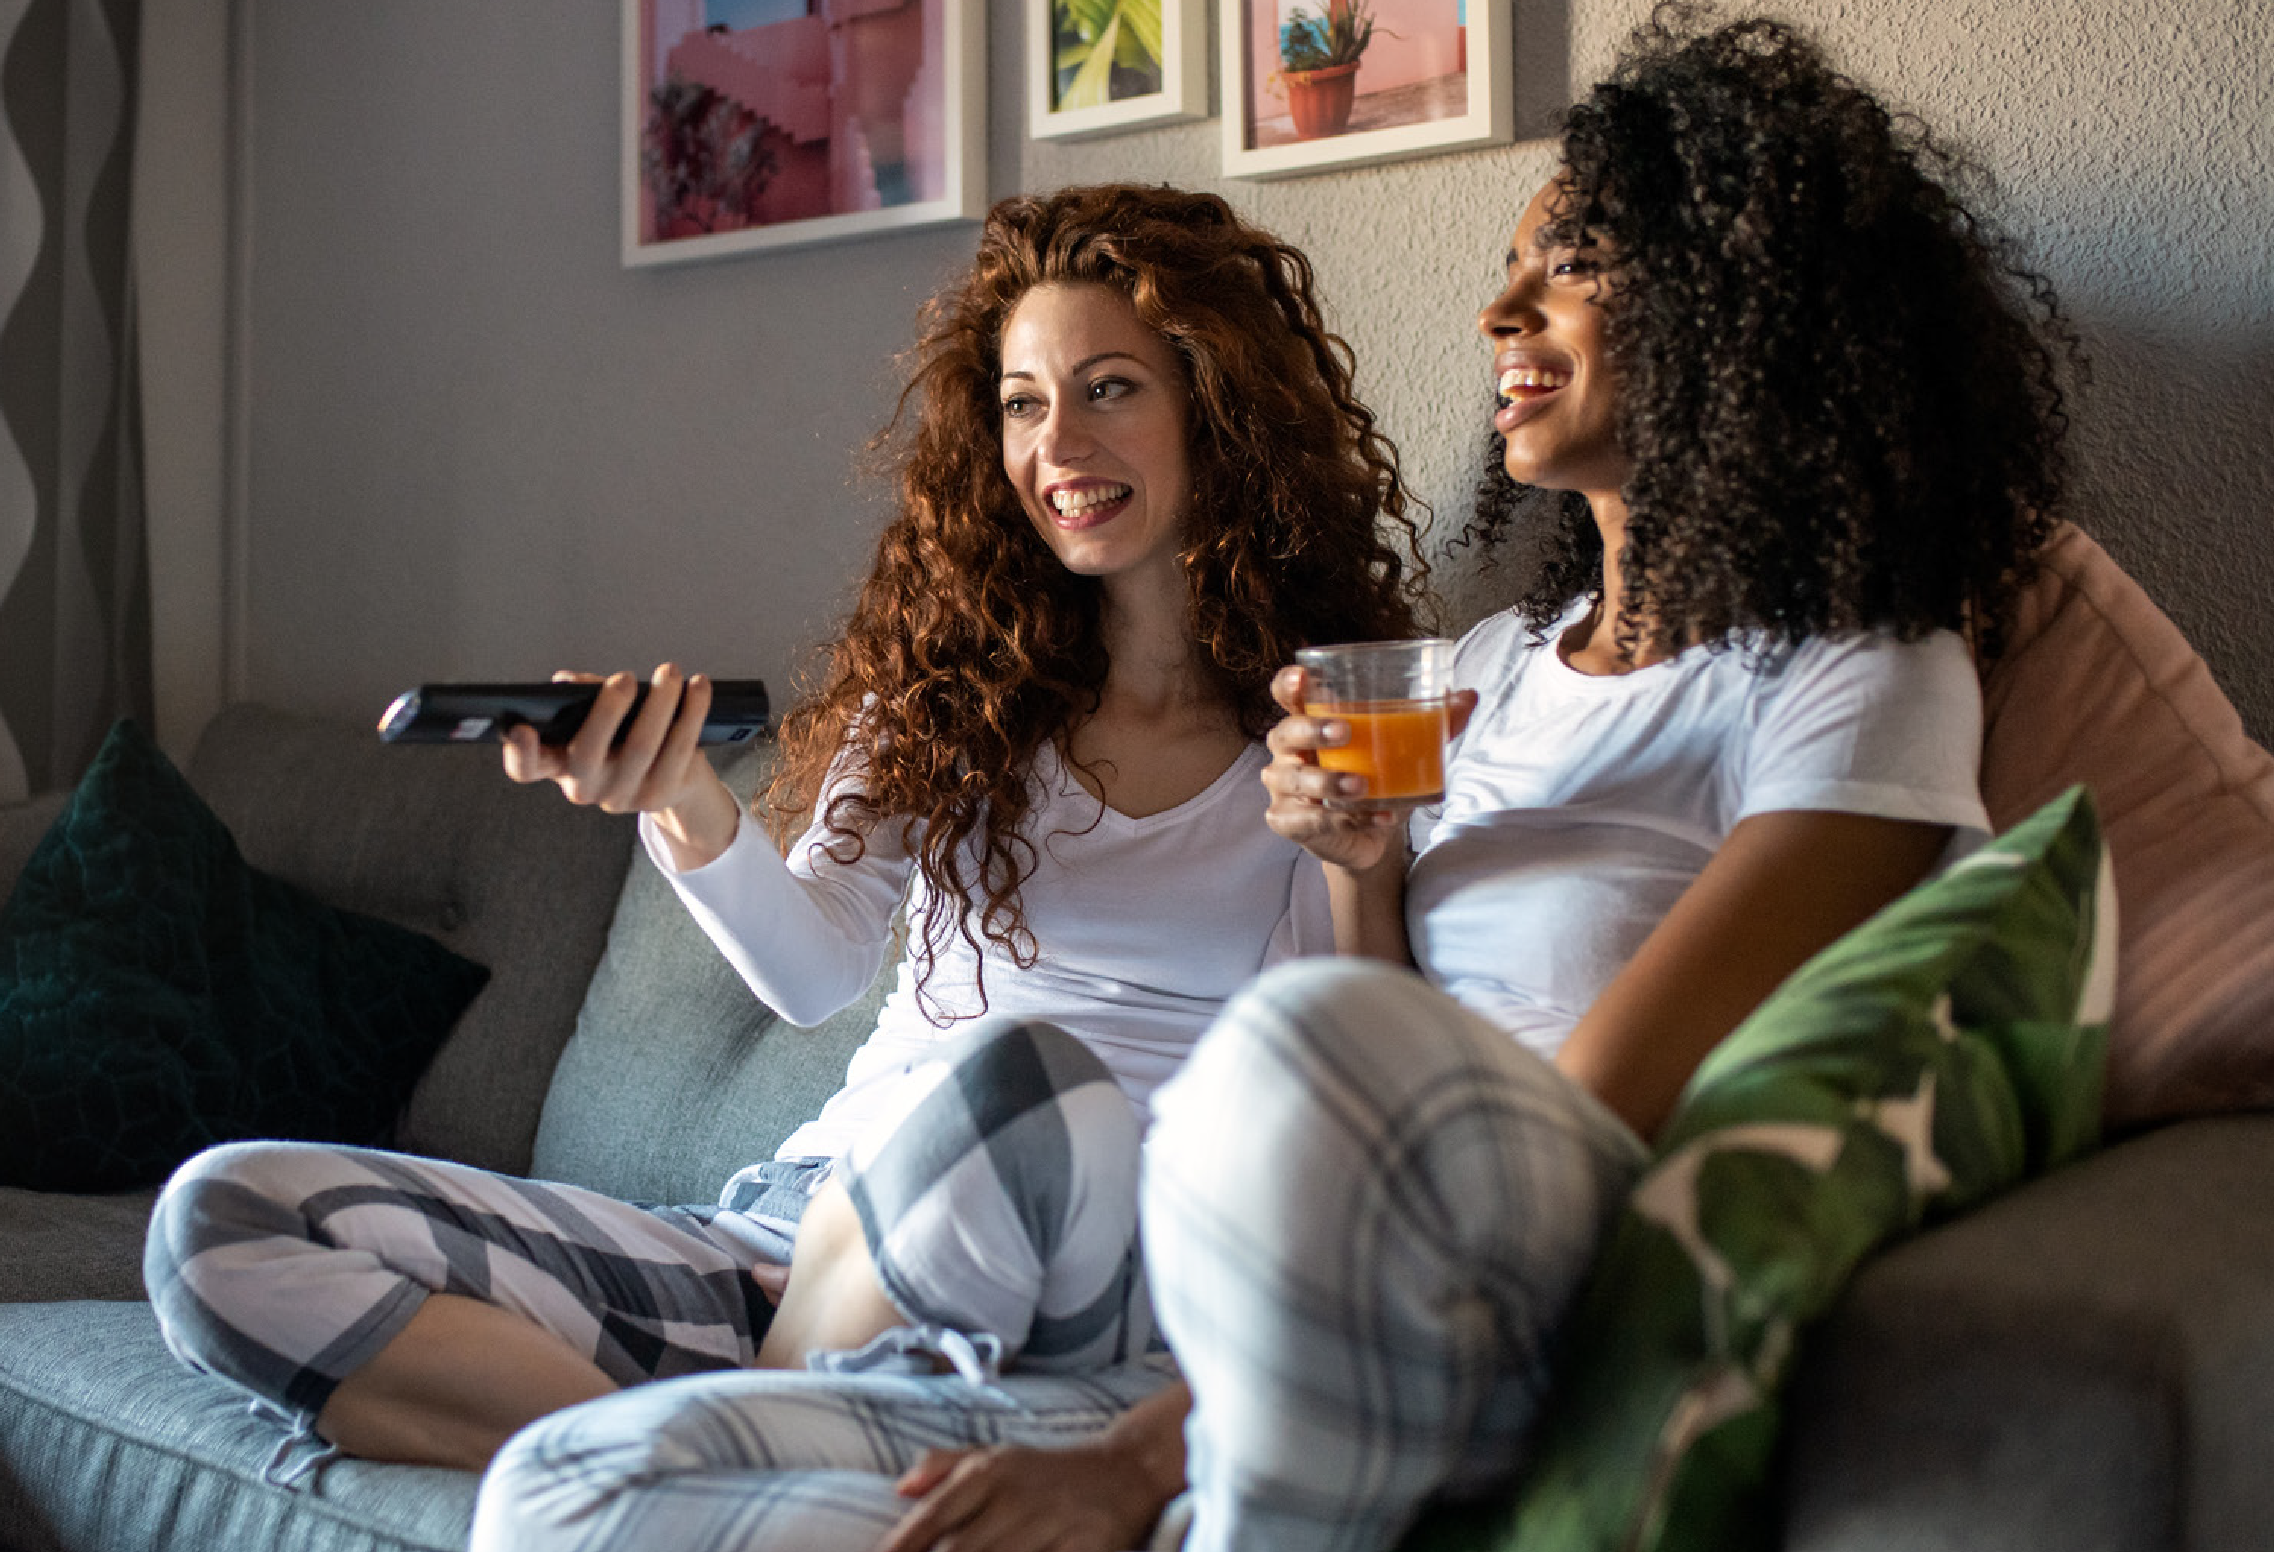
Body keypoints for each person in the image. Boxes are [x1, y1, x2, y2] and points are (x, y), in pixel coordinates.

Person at [470, 9, 2077, 1551]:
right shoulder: (1492, 669)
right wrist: (1361, 866)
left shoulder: (1859, 676)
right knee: (560, 1496)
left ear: (1742, 309)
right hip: (1258, 1246)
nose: (1499, 316)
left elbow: (1591, 1116)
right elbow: (1353, 990)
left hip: (1455, 1287)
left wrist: (1131, 1463)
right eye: (1510, 267)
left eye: (1569, 266)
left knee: (1269, 1052)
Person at [141, 182, 1420, 1484]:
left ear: (1215, 403)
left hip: (1076, 1277)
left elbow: (1348, 1083)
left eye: (1109, 388)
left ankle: (711, 1438)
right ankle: (717, 1452)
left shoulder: (1322, 725)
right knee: (222, 1221)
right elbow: (813, 976)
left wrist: (1360, 861)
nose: (1057, 443)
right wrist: (678, 800)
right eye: (1024, 401)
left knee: (1029, 1085)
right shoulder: (950, 692)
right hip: (799, 1241)